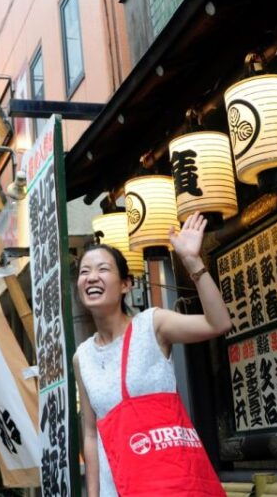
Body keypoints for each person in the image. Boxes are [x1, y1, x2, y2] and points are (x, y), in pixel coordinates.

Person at [74, 212, 230, 497]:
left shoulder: (152, 324)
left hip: (172, 484)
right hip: (118, 489)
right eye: (84, 272)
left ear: (126, 284)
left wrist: (193, 262)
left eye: (103, 269)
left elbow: (218, 323)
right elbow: (90, 434)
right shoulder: (82, 356)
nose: (91, 277)